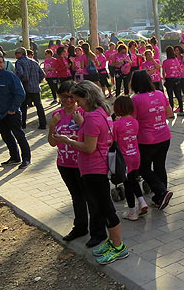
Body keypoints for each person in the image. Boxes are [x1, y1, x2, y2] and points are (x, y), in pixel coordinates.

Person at [53, 81, 128, 264]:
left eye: (78, 100)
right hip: (96, 166)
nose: (77, 104)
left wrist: (68, 141)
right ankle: (112, 241)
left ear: (87, 97)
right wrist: (76, 136)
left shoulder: (92, 117)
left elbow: (89, 147)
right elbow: (94, 138)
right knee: (102, 207)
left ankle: (118, 247)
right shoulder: (101, 112)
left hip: (94, 168)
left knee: (107, 209)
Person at [47, 81, 94, 242]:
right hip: (64, 163)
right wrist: (52, 125)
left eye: (71, 97)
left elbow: (91, 138)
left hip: (82, 163)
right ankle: (80, 227)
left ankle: (97, 230)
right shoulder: (57, 115)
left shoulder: (83, 113)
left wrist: (81, 123)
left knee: (90, 197)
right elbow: (52, 143)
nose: (68, 100)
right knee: (76, 196)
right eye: (64, 96)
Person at [130, 71, 174, 210]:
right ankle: (160, 198)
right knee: (160, 166)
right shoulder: (160, 94)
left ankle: (162, 192)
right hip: (164, 136)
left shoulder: (136, 100)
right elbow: (169, 113)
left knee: (143, 168)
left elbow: (133, 120)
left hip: (147, 140)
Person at [0, 52, 31, 169]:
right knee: (6, 136)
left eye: (0, 62)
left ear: (4, 62)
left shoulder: (10, 76)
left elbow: (20, 94)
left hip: (12, 113)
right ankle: (14, 157)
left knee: (19, 135)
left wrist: (12, 109)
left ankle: (26, 158)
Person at [113, 96, 148, 221]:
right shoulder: (135, 122)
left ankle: (132, 211)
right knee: (133, 179)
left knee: (127, 184)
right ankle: (142, 201)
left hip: (124, 159)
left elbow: (113, 142)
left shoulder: (115, 125)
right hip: (135, 155)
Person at [14, 47, 46, 130]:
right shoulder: (34, 61)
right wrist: (37, 81)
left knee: (23, 106)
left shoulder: (19, 62)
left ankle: (23, 123)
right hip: (35, 87)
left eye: (16, 53)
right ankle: (43, 123)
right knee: (39, 106)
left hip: (25, 87)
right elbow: (42, 74)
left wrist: (20, 80)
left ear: (21, 54)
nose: (15, 55)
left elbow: (20, 73)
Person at [162, 46, 184, 116]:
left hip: (169, 79)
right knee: (178, 95)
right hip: (176, 79)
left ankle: (171, 112)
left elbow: (163, 72)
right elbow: (179, 69)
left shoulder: (165, 62)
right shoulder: (176, 60)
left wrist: (164, 79)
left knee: (170, 96)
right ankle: (181, 110)